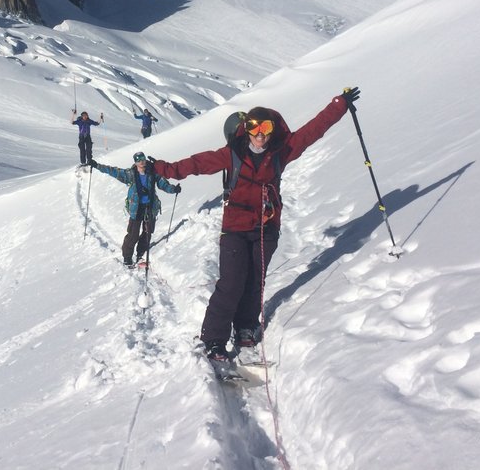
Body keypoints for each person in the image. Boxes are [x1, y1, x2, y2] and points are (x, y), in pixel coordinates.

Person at [150, 88, 360, 364]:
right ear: (245, 129)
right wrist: (162, 169)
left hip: (266, 227)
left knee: (254, 282)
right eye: (254, 127)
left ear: (272, 130)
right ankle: (214, 338)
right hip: (235, 228)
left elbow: (313, 130)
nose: (260, 134)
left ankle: (246, 326)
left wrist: (339, 105)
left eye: (265, 128)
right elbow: (196, 164)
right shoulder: (231, 155)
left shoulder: (280, 153)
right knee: (231, 283)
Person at [89, 151, 181, 267]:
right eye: (138, 160)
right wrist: (97, 166)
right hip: (136, 208)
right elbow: (114, 171)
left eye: (143, 159)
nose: (142, 162)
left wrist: (173, 189)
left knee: (148, 232)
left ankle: (140, 253)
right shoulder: (131, 174)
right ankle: (127, 257)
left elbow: (163, 184)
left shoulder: (152, 172)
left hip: (150, 206)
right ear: (135, 162)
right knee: (133, 234)